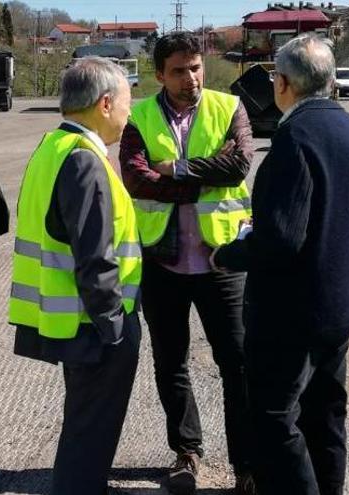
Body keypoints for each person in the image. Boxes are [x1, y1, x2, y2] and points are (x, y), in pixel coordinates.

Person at [213, 34, 349, 495]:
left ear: (282, 83)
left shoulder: (295, 138)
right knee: (325, 414)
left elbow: (280, 241)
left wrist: (229, 254)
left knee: (274, 419)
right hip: (340, 303)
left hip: (294, 313)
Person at [119, 32, 255, 495]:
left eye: (195, 67)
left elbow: (239, 164)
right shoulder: (138, 116)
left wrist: (174, 170)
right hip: (163, 261)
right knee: (170, 364)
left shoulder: (229, 106)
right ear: (159, 74)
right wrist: (201, 178)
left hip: (225, 260)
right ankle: (187, 452)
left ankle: (246, 465)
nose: (190, 78)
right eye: (178, 70)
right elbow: (137, 179)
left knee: (237, 365)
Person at [9, 56, 143, 495]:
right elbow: (95, 259)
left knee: (83, 426)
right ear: (105, 104)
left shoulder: (54, 147)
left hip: (71, 322)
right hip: (95, 326)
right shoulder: (85, 162)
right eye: (127, 101)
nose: (131, 110)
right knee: (90, 436)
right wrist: (115, 327)